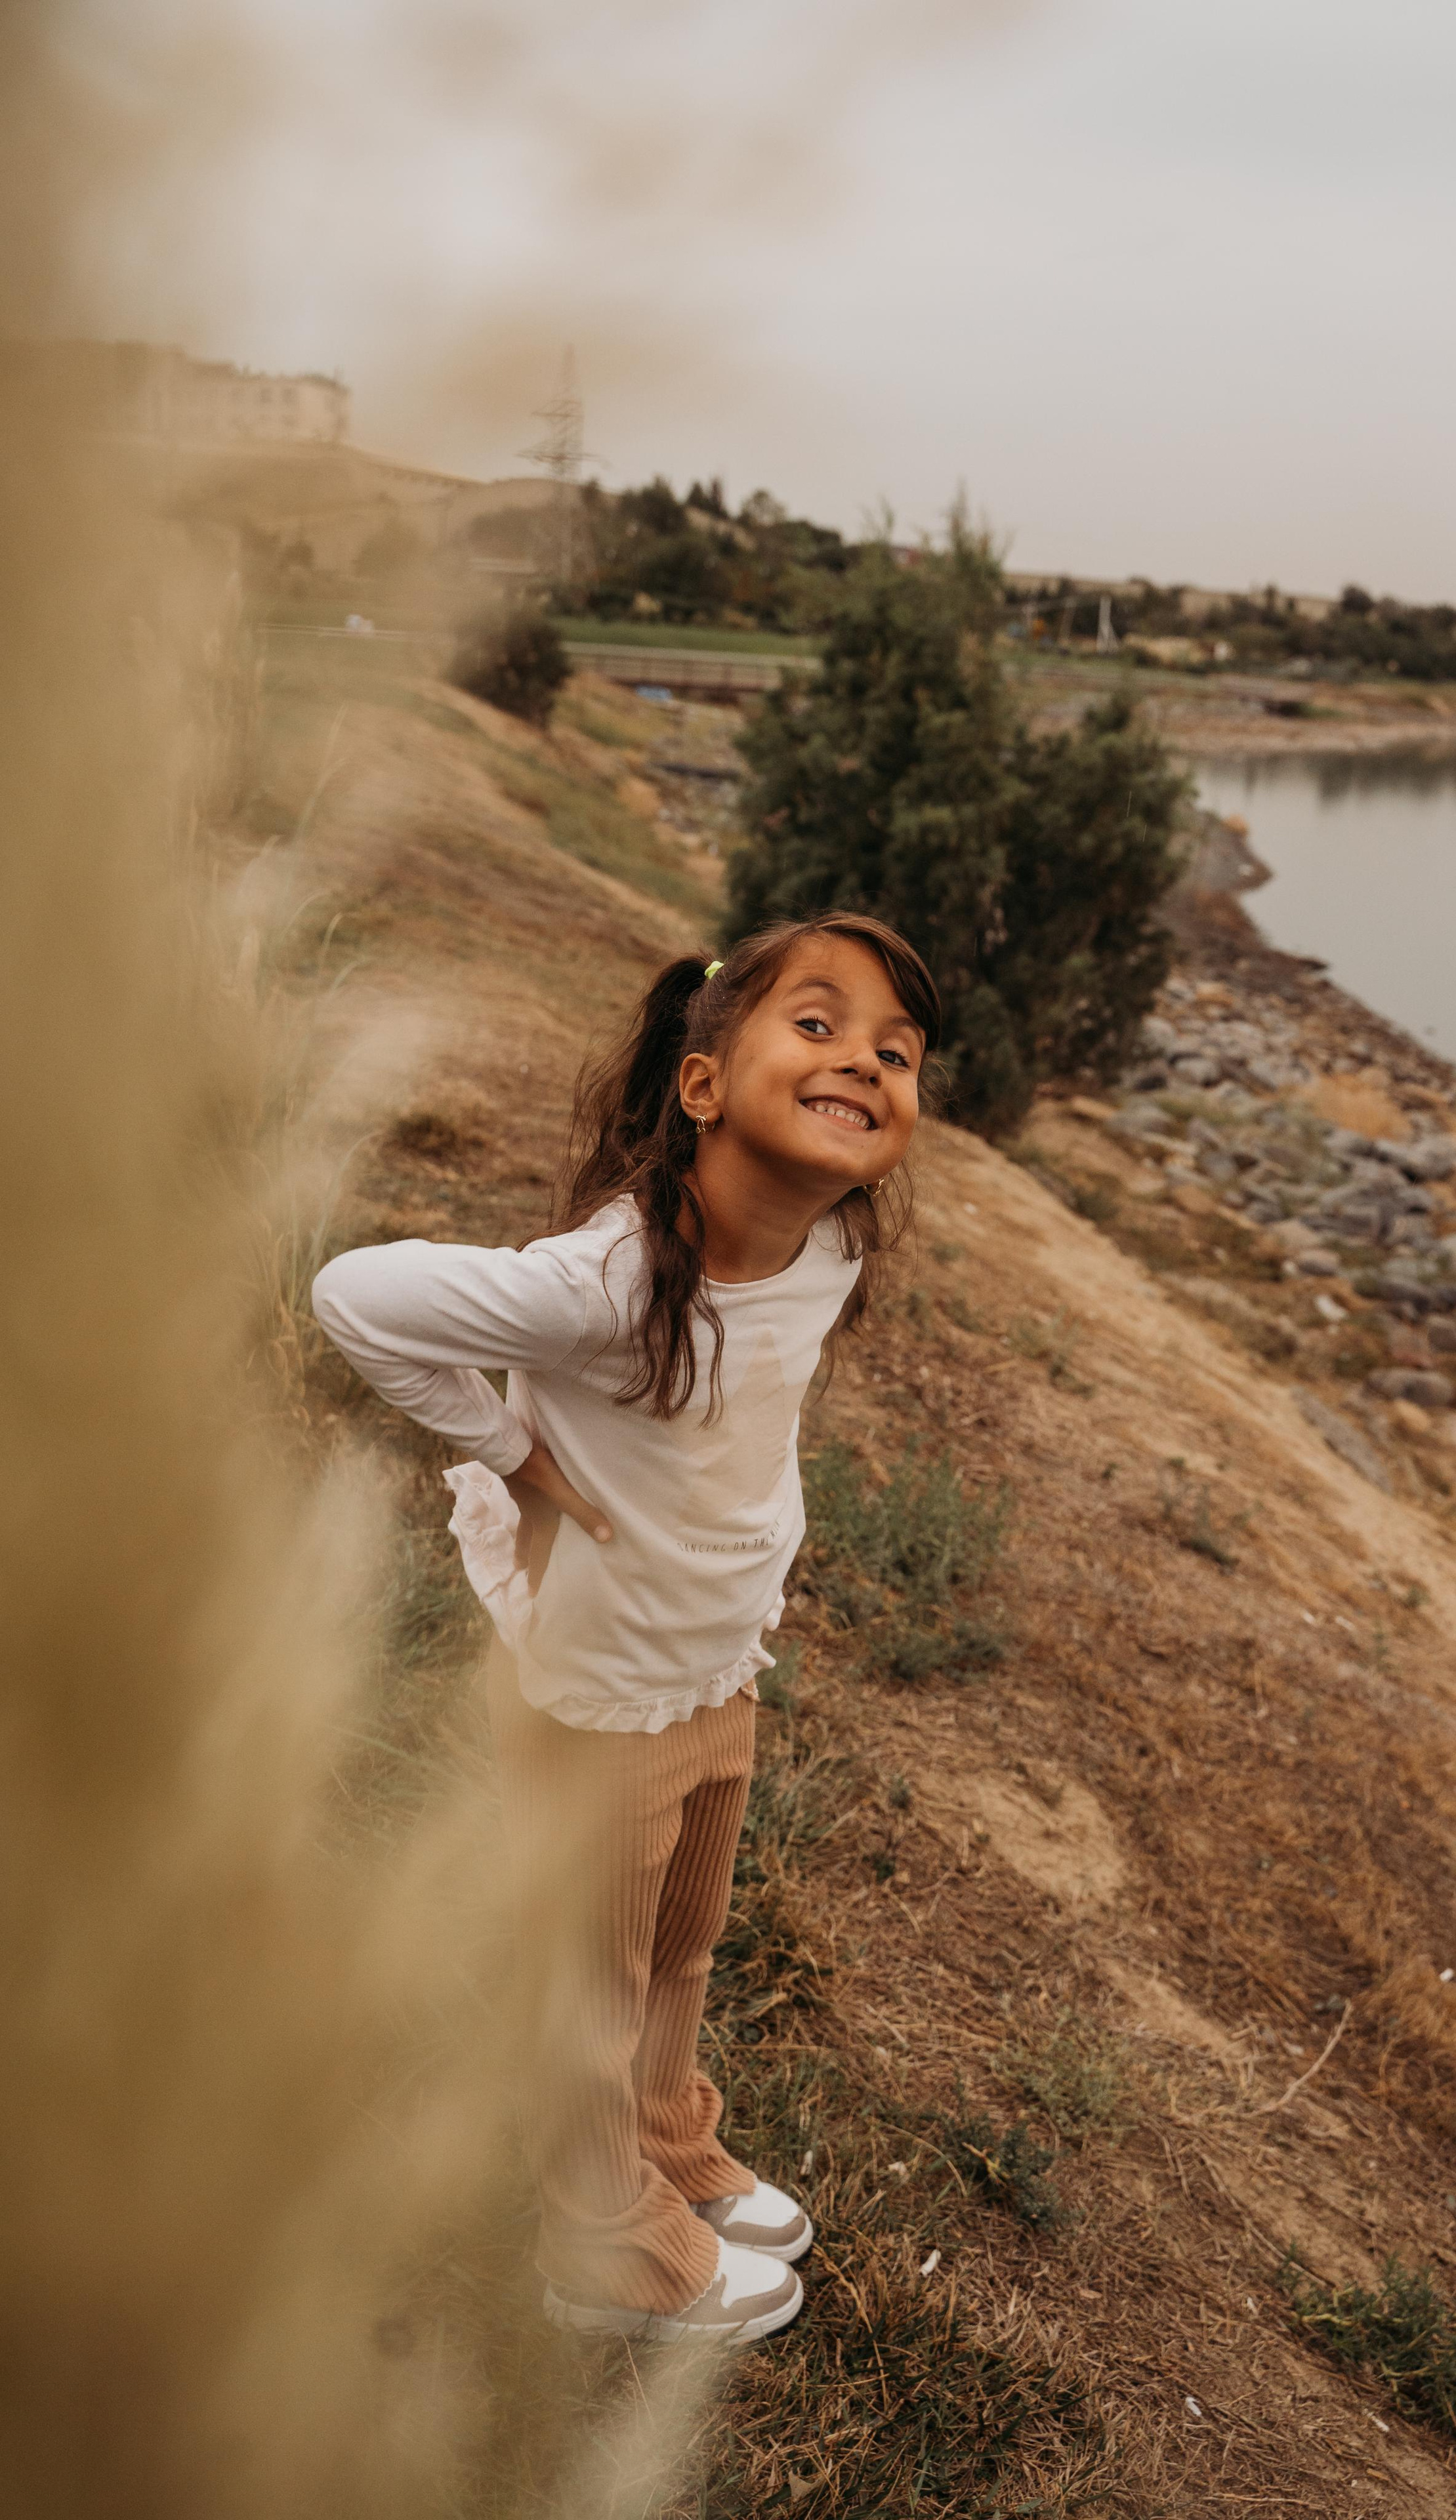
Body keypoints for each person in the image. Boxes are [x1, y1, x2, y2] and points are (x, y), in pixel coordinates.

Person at [312, 913, 940, 2345]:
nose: (865, 1062)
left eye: (896, 1052)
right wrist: (509, 1450)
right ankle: (600, 2245)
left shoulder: (827, 1244)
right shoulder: (609, 1284)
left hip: (715, 1660)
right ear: (702, 1085)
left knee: (681, 1948)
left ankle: (664, 2138)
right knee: (589, 1980)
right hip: (597, 1694)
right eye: (821, 1025)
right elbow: (355, 1299)